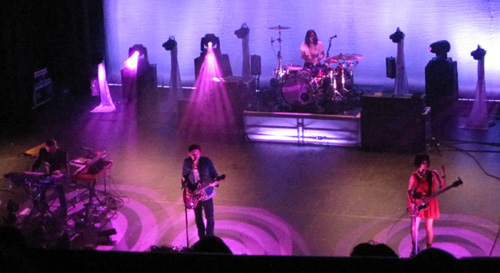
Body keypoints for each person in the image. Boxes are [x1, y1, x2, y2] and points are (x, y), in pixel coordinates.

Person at [407, 154, 446, 255]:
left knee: (428, 227)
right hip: (418, 203)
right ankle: (415, 248)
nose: (425, 165)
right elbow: (409, 190)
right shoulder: (414, 175)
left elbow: (442, 186)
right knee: (414, 227)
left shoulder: (432, 173)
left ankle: (429, 250)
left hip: (430, 202)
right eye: (423, 163)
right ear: (419, 163)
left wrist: (443, 174)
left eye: (427, 162)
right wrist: (411, 201)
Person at [182, 144, 220, 239]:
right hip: (194, 194)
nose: (195, 156)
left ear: (200, 153)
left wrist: (215, 181)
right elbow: (185, 176)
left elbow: (214, 174)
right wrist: (187, 188)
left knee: (209, 217)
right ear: (189, 154)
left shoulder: (206, 161)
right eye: (192, 155)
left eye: (197, 154)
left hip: (206, 193)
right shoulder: (187, 162)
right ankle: (201, 238)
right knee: (198, 217)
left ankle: (210, 237)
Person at [31, 139, 68, 217]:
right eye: (48, 149)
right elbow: (38, 162)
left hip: (60, 176)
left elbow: (65, 167)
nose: (49, 151)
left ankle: (64, 211)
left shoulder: (62, 153)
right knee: (40, 190)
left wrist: (58, 172)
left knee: (60, 191)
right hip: (50, 175)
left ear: (54, 146)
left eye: (51, 149)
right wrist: (32, 172)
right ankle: (44, 208)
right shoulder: (43, 151)